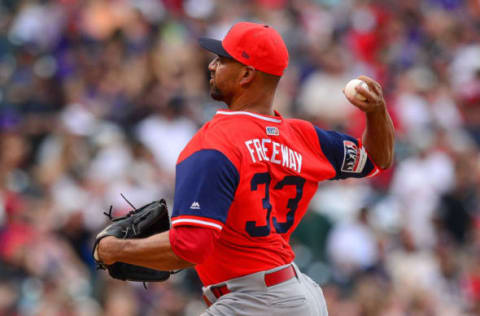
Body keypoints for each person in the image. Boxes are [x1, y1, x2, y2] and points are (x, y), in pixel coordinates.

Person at [95, 21, 394, 315]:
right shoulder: (304, 137)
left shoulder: (213, 144)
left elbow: (190, 246)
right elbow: (377, 158)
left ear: (247, 75)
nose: (211, 66)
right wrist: (377, 112)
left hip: (256, 301)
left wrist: (114, 250)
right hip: (294, 296)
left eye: (222, 60)